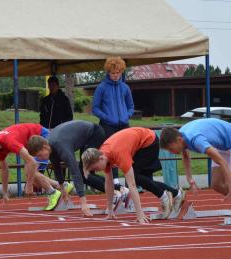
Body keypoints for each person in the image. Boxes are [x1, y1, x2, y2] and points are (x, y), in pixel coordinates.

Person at [81, 127, 185, 224]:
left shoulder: (118, 154)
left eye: (95, 168)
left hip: (149, 141)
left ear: (100, 159)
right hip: (137, 144)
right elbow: (109, 185)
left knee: (134, 178)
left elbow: (132, 185)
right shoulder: (103, 155)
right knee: (145, 181)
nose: (96, 171)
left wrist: (139, 214)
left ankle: (165, 196)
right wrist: (110, 210)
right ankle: (176, 193)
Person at [26, 120, 130, 216]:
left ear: (45, 147)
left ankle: (117, 191)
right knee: (86, 175)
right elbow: (57, 168)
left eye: (39, 155)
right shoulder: (50, 147)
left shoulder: (61, 147)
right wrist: (63, 191)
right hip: (83, 138)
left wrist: (83, 203)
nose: (40, 158)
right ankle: (120, 189)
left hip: (94, 133)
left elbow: (75, 172)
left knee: (84, 175)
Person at [0, 123, 64, 211]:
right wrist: (5, 192)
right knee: (29, 172)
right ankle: (61, 186)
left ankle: (53, 192)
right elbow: (4, 169)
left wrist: (29, 186)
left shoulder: (9, 142)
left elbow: (33, 163)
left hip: (40, 136)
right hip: (30, 141)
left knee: (30, 171)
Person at [92, 56, 134, 185]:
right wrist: (107, 118)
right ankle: (114, 179)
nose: (115, 75)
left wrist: (127, 116)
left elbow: (131, 106)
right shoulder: (101, 87)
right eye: (112, 73)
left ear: (121, 71)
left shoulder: (125, 88)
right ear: (108, 72)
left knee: (128, 151)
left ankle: (129, 180)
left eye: (118, 73)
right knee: (111, 152)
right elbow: (95, 108)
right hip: (107, 125)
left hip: (124, 124)